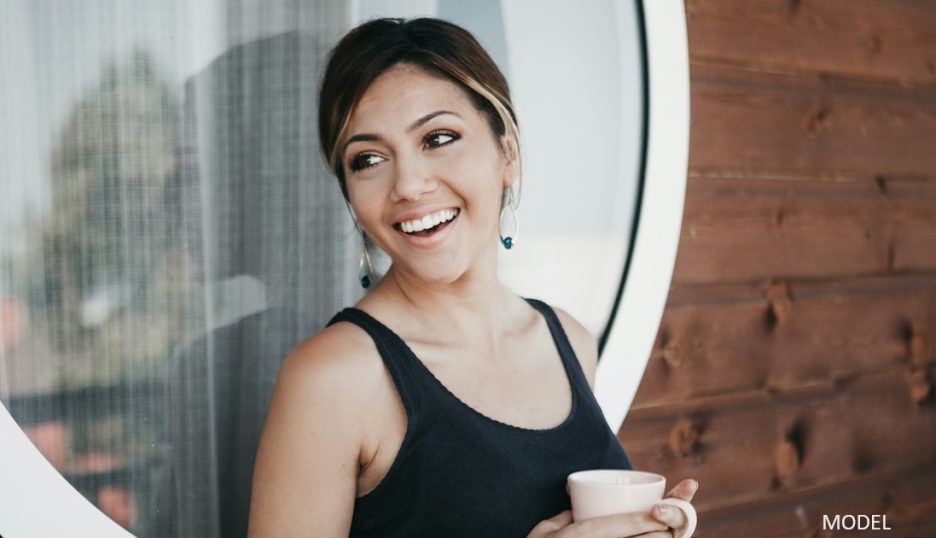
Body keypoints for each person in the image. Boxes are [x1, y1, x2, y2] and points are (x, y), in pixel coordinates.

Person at [248, 17, 698, 537]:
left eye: (438, 138)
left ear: (507, 154)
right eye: (368, 159)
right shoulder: (334, 379)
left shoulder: (571, 340)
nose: (410, 185)